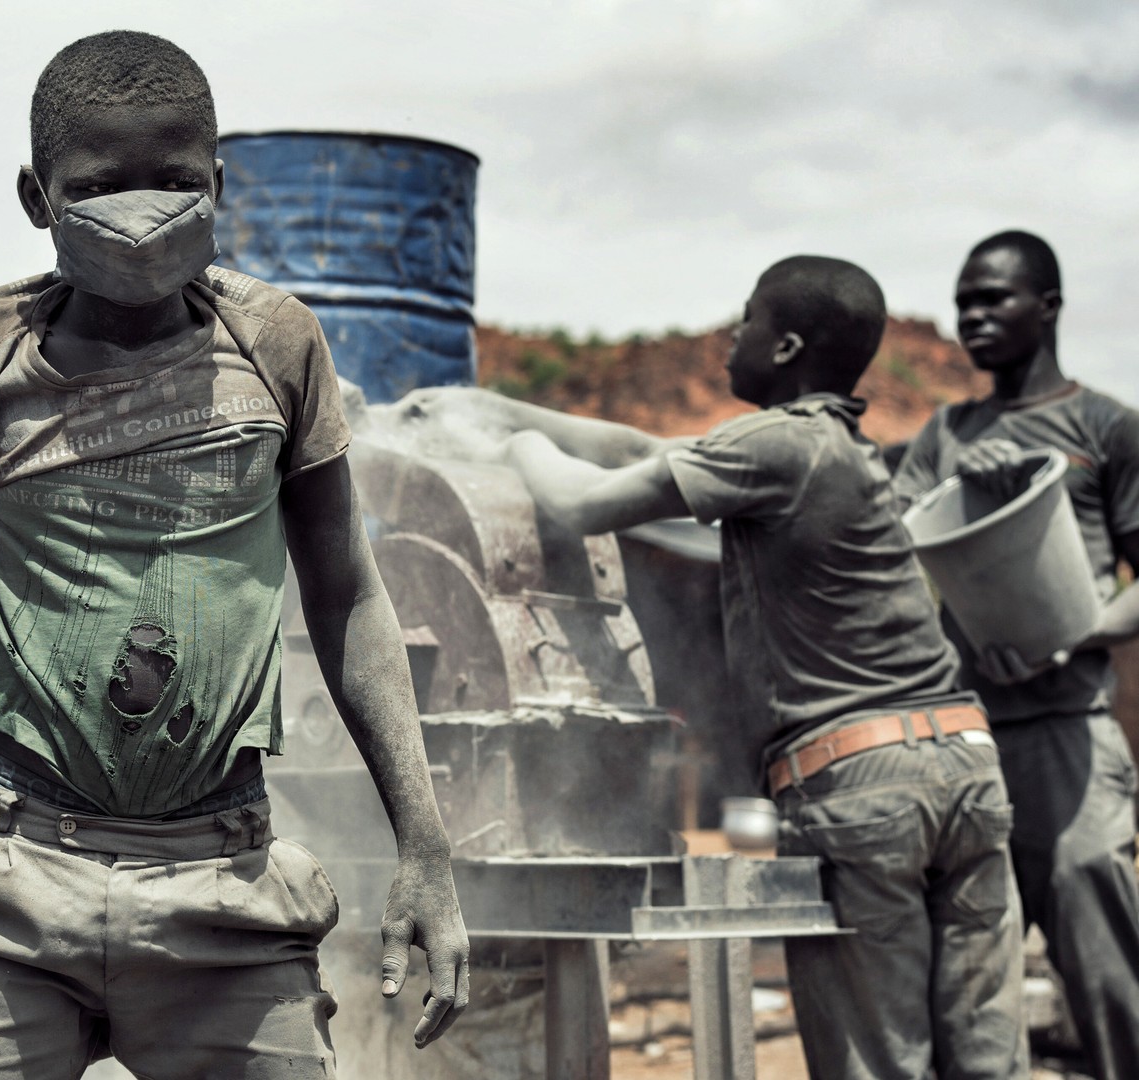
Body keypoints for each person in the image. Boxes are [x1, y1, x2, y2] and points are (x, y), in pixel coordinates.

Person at [0, 30, 468, 1079]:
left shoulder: (277, 344)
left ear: (221, 184)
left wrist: (425, 847)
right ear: (36, 195)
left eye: (177, 180)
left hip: (227, 890)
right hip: (7, 882)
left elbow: (347, 595)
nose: (144, 210)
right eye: (102, 184)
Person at [409, 255, 1028, 1079]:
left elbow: (585, 502)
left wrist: (517, 444)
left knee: (883, 1063)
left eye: (747, 323)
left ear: (786, 347)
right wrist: (485, 407)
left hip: (866, 786)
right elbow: (641, 449)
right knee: (990, 1061)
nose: (732, 338)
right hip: (965, 770)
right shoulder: (830, 447)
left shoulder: (775, 444)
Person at [894, 230, 1139, 1080]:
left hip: (1067, 734)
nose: (972, 317)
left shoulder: (1105, 427)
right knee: (972, 988)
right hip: (964, 742)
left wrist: (1076, 633)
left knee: (1106, 963)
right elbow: (896, 549)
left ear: (1050, 306)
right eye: (963, 302)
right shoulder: (945, 433)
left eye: (993, 298)